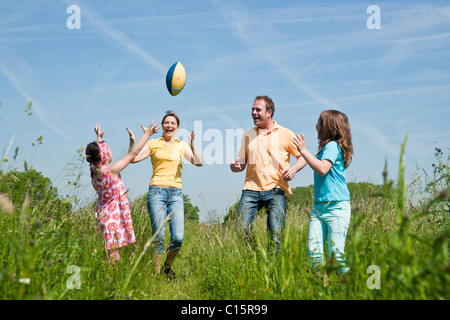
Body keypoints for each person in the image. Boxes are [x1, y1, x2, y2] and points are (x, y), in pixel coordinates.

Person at [131, 111, 203, 280]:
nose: (169, 125)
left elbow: (199, 162)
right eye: (166, 123)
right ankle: (156, 277)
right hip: (156, 192)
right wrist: (135, 141)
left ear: (177, 127)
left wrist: (192, 145)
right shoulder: (153, 143)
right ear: (162, 126)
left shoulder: (181, 145)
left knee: (178, 237)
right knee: (159, 236)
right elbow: (134, 159)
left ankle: (167, 266)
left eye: (172, 123)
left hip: (176, 194)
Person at [230, 96, 306, 251]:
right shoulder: (248, 134)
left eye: (258, 110)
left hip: (276, 190)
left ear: (269, 112)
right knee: (241, 228)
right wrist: (236, 166)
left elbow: (303, 157)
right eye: (252, 109)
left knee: (276, 234)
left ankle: (274, 269)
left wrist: (293, 169)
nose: (253, 113)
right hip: (251, 190)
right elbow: (242, 162)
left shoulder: (286, 133)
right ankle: (255, 257)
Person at [86, 122, 160, 264]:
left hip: (103, 216)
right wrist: (147, 135)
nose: (111, 152)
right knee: (114, 255)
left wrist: (98, 138)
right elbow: (132, 154)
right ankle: (111, 279)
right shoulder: (111, 171)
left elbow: (96, 154)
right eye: (109, 150)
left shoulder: (94, 172)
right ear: (105, 155)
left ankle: (107, 276)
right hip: (112, 219)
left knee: (108, 252)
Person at [293, 110, 354, 275]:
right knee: (314, 253)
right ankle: (321, 289)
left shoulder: (333, 146)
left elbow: (322, 169)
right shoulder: (325, 148)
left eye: (319, 122)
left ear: (328, 126)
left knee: (336, 256)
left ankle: (350, 288)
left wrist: (303, 151)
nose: (315, 125)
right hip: (319, 208)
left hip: (336, 207)